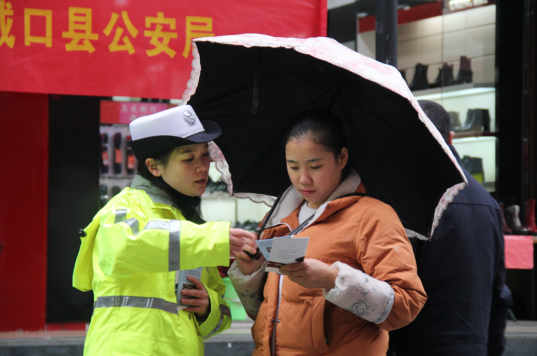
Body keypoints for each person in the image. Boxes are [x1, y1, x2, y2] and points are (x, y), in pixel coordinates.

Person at [228, 109, 427, 356]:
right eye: (293, 166)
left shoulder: (372, 216)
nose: (303, 179)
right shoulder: (278, 222)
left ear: (342, 158)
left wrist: (333, 279)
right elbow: (266, 314)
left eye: (315, 166)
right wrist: (251, 275)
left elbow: (406, 305)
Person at [72, 105, 258, 356]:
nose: (203, 167)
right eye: (188, 158)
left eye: (205, 155)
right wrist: (213, 238)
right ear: (153, 167)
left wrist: (207, 306)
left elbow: (220, 316)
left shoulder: (193, 226)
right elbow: (128, 247)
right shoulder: (125, 206)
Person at [388, 100, 511, 356]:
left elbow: (396, 287)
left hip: (417, 344)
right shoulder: (487, 202)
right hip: (475, 345)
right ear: (451, 138)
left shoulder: (407, 201)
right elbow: (499, 293)